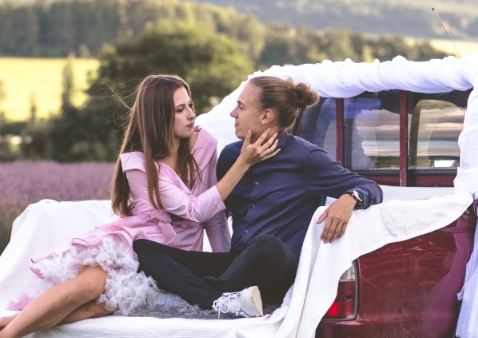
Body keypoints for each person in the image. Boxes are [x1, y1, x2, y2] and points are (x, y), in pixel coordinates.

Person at [0, 74, 280, 338]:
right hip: (135, 247)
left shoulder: (205, 144)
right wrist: (243, 164)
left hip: (172, 260)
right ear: (159, 117)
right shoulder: (138, 163)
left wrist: (224, 266)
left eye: (190, 105)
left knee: (99, 307)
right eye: (180, 109)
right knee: (88, 287)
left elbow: (214, 217)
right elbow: (194, 209)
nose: (191, 114)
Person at [134, 75, 383, 317]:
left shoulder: (306, 158)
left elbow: (370, 187)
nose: (233, 113)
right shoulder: (232, 157)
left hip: (275, 269)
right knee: (144, 250)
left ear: (266, 116)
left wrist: (350, 198)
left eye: (241, 107)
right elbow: (215, 216)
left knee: (267, 246)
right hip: (237, 264)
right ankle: (216, 299)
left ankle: (200, 292)